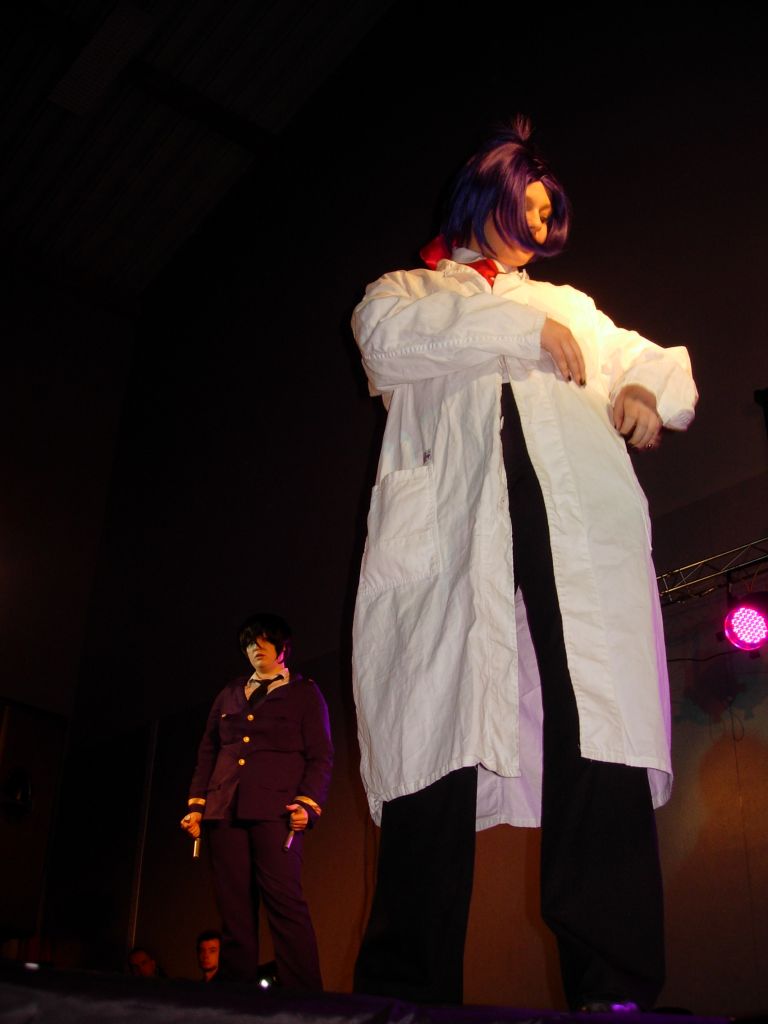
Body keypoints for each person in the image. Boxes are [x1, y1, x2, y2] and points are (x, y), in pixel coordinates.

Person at [350, 118, 697, 1011]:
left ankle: (614, 989)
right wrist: (521, 332)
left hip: (572, 526)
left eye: (549, 214)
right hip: (450, 536)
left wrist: (639, 388)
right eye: (531, 206)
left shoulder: (571, 304)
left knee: (596, 733)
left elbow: (653, 360)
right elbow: (385, 342)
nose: (542, 225)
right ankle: (405, 993)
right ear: (487, 196)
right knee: (433, 741)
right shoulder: (406, 290)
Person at [180, 613, 333, 990]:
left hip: (276, 812)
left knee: (285, 904)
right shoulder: (229, 693)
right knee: (233, 909)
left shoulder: (305, 692)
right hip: (224, 810)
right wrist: (197, 805)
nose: (255, 649)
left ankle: (304, 996)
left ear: (283, 648)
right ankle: (236, 993)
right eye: (249, 643)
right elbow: (208, 751)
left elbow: (321, 756)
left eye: (263, 641)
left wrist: (308, 803)